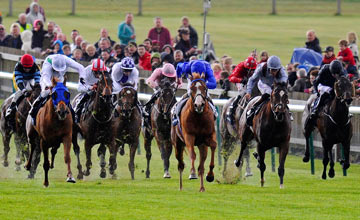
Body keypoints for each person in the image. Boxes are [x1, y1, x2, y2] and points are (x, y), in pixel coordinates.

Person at [29, 54, 85, 125]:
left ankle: (73, 117)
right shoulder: (48, 64)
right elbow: (45, 77)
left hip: (60, 79)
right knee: (45, 93)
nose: (58, 71)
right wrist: (50, 86)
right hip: (47, 80)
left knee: (63, 94)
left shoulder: (66, 60)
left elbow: (80, 67)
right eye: (56, 69)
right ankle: (33, 111)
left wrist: (82, 77)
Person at [244, 56, 288, 126]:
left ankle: (288, 112)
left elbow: (284, 82)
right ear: (268, 67)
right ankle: (252, 110)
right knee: (268, 94)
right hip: (263, 84)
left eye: (275, 70)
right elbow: (252, 80)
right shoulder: (261, 68)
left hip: (276, 86)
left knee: (280, 95)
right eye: (272, 70)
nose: (274, 72)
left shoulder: (282, 72)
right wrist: (248, 92)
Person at [304, 60, 347, 131]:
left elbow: (344, 84)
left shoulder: (342, 72)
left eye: (337, 74)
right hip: (323, 86)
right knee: (322, 97)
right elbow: (316, 82)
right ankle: (314, 112)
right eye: (334, 73)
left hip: (334, 87)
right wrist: (318, 93)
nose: (335, 75)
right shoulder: (324, 69)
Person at [172, 60, 217, 126]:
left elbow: (214, 84)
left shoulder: (208, 69)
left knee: (207, 97)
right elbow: (178, 66)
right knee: (187, 94)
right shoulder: (187, 67)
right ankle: (175, 115)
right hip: (192, 82)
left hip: (202, 85)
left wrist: (201, 85)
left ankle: (214, 113)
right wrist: (178, 78)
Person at [5, 54, 40, 130]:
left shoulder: (35, 67)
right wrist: (24, 91)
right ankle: (11, 109)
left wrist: (35, 89)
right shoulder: (18, 67)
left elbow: (37, 81)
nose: (27, 69)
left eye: (29, 68)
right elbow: (19, 82)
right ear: (21, 64)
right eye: (25, 67)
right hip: (22, 80)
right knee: (19, 93)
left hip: (31, 79)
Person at [75, 59, 109, 123]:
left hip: (102, 91)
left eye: (100, 73)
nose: (98, 75)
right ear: (92, 69)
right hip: (90, 89)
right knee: (82, 99)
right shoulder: (85, 71)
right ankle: (77, 114)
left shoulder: (108, 71)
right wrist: (90, 87)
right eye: (96, 72)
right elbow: (79, 88)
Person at [226, 56, 257, 123]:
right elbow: (231, 78)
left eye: (253, 70)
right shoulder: (240, 66)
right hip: (241, 82)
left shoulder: (257, 66)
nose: (251, 72)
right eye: (249, 69)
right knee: (243, 92)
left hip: (251, 82)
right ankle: (231, 112)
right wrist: (241, 80)